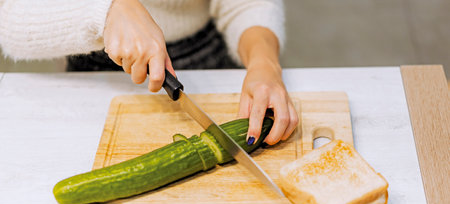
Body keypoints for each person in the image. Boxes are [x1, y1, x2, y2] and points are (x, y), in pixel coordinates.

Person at [0, 0, 298, 145]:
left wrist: (263, 64)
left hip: (209, 56)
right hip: (91, 72)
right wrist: (108, 10)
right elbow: (9, 17)